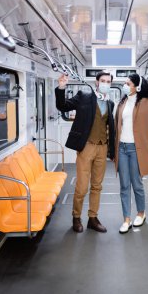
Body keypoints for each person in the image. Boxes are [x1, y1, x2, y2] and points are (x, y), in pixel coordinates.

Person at [55, 71, 115, 233]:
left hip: (102, 147)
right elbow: (63, 106)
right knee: (82, 186)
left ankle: (93, 218)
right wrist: (61, 87)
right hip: (86, 146)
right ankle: (76, 217)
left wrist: (113, 152)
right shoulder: (84, 96)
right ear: (96, 82)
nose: (105, 83)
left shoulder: (110, 103)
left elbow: (110, 127)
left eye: (108, 82)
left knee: (97, 186)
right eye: (102, 80)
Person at [115, 72, 148, 234]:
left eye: (128, 84)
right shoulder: (122, 102)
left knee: (137, 184)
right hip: (122, 148)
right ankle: (126, 219)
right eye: (125, 83)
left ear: (137, 86)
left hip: (136, 150)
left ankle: (141, 213)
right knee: (124, 185)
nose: (125, 86)